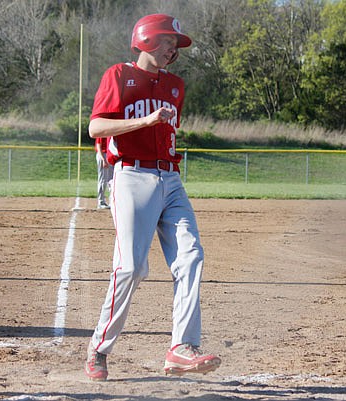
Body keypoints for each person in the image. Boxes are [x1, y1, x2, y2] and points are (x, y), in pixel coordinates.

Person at [84, 13, 221, 381]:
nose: (172, 51)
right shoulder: (118, 75)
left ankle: (182, 347)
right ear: (145, 39)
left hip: (170, 178)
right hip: (131, 175)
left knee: (191, 256)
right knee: (131, 267)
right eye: (167, 43)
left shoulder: (176, 85)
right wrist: (144, 122)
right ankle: (99, 347)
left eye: (175, 47)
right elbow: (96, 126)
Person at [95, 137, 112, 209]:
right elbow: (98, 146)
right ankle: (101, 201)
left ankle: (112, 201)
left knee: (111, 180)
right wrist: (103, 159)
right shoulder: (102, 131)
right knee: (103, 179)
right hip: (103, 155)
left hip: (110, 155)